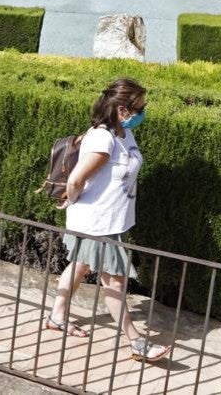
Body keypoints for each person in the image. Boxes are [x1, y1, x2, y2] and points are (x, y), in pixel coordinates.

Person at [44, 78, 169, 363]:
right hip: (97, 223)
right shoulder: (103, 139)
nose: (143, 112)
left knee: (81, 265)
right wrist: (72, 200)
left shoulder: (124, 133)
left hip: (111, 220)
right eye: (139, 108)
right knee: (115, 282)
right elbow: (76, 180)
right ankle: (136, 342)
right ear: (123, 110)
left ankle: (56, 317)